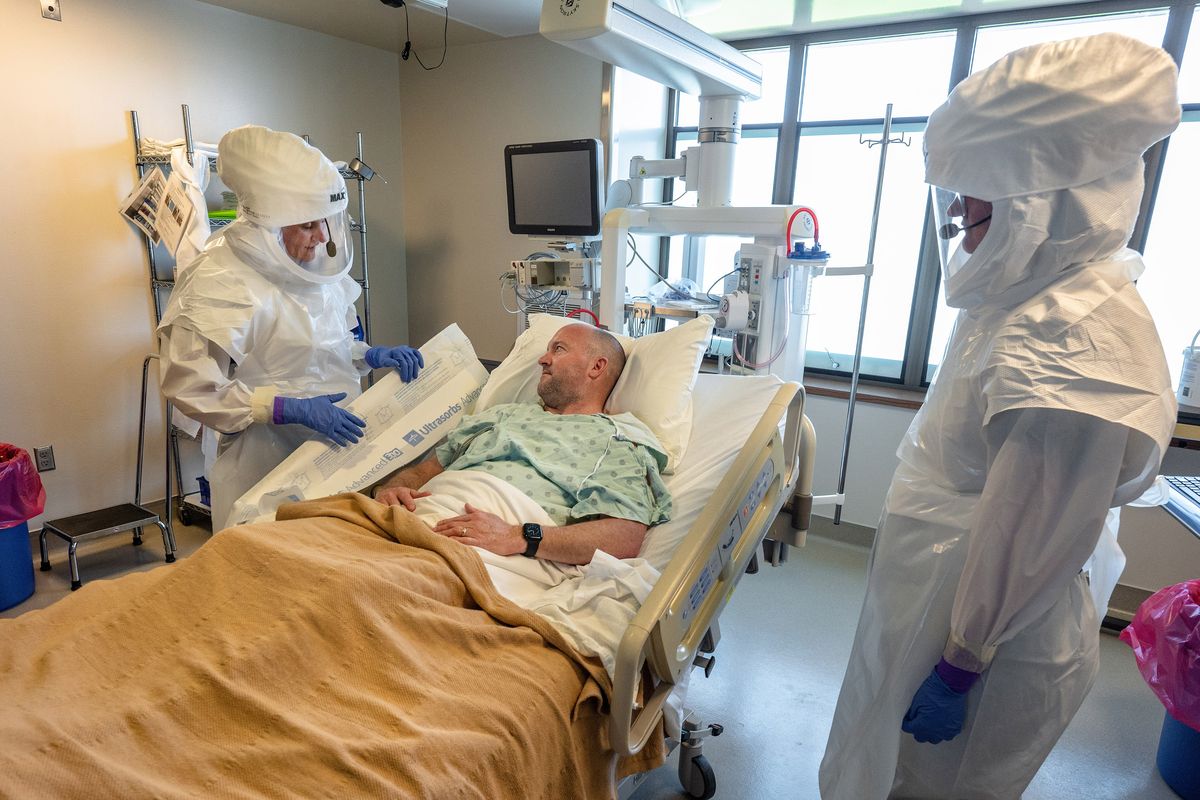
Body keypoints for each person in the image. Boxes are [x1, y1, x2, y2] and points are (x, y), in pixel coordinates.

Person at [819, 33, 1180, 800]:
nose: (957, 220)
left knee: (934, 786)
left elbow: (1033, 526)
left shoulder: (1073, 337)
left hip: (985, 637)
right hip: (936, 601)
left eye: (974, 206)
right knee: (888, 771)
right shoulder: (1022, 299)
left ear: (1042, 203)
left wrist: (961, 661)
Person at [159, 124, 424, 531]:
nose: (322, 237)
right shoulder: (219, 278)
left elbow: (326, 345)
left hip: (335, 446)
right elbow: (189, 384)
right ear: (267, 225)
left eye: (326, 222)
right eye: (307, 225)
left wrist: (368, 354)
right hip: (261, 460)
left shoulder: (319, 268)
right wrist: (282, 407)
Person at [373, 323, 671, 563]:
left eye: (559, 349)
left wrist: (519, 536)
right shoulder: (502, 414)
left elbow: (625, 535)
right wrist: (393, 488)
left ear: (596, 367)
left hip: (478, 546)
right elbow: (429, 468)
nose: (543, 359)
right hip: (412, 520)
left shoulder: (616, 438)